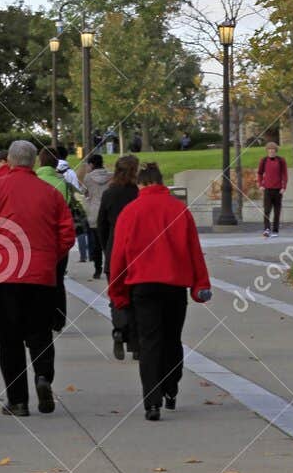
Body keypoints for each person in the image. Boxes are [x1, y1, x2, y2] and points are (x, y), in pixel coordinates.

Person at [0, 140, 76, 417]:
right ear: (33, 162)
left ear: (8, 161)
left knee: (10, 338)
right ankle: (43, 375)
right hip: (41, 273)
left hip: (9, 272)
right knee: (40, 331)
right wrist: (50, 257)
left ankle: (18, 400)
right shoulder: (50, 193)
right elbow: (67, 233)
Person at [108, 163, 212, 421]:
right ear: (161, 182)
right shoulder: (179, 210)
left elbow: (118, 255)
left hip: (142, 284)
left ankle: (151, 401)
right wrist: (200, 284)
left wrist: (117, 292)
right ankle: (171, 387)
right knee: (172, 338)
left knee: (149, 341)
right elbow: (193, 250)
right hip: (174, 284)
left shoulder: (130, 212)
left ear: (141, 184)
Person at [97, 154, 140, 359]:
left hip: (114, 248)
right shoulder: (137, 194)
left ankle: (119, 329)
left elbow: (102, 224)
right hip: (135, 250)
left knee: (117, 295)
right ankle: (134, 341)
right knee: (134, 296)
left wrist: (106, 248)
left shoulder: (109, 194)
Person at [36, 147, 76, 328]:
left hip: (40, 238)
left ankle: (42, 315)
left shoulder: (35, 182)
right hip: (58, 239)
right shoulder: (63, 184)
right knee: (58, 280)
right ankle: (58, 319)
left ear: (40, 161)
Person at [80, 151, 111, 278]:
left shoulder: (88, 178)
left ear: (92, 165)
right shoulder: (111, 176)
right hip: (108, 212)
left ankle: (97, 270)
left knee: (96, 244)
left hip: (94, 213)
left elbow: (84, 192)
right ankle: (109, 267)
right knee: (108, 243)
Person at [257, 140, 288, 236]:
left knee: (277, 211)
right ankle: (266, 229)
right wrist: (261, 185)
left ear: (276, 150)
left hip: (278, 189)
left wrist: (284, 187)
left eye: (273, 149)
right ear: (267, 150)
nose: (271, 151)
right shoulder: (264, 160)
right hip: (267, 189)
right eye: (269, 149)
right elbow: (259, 173)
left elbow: (284, 174)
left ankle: (275, 230)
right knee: (267, 210)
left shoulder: (281, 160)